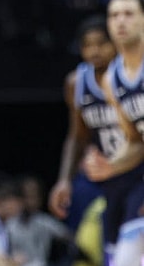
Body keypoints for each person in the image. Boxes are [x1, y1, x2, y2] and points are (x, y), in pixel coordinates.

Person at [90, 0, 144, 266]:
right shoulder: (113, 78)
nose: (121, 21)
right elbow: (136, 142)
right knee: (124, 263)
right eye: (114, 15)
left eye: (129, 13)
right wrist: (109, 166)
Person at [48, 15, 118, 228]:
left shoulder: (129, 75)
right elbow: (77, 137)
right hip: (99, 167)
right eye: (87, 45)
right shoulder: (75, 82)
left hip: (131, 165)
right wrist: (64, 180)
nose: (95, 51)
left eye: (101, 43)